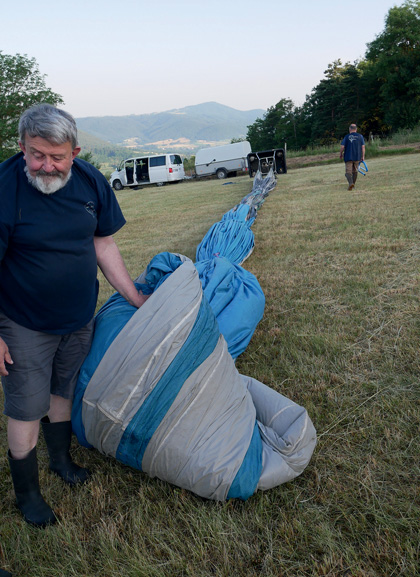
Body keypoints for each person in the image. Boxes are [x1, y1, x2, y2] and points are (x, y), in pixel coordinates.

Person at [0, 104, 149, 528]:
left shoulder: (90, 182)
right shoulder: (4, 187)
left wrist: (134, 296)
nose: (46, 166)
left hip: (78, 314)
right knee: (27, 406)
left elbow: (103, 244)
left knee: (63, 390)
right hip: (21, 318)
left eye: (57, 157)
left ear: (76, 151)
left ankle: (61, 462)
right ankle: (28, 493)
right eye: (36, 154)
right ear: (22, 148)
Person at [340, 124, 365, 190]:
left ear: (349, 129)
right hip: (357, 156)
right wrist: (363, 156)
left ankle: (351, 183)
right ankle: (353, 184)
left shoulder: (346, 137)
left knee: (348, 173)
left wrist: (340, 153)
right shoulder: (360, 136)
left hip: (348, 157)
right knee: (355, 171)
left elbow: (342, 147)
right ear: (356, 129)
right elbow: (363, 147)